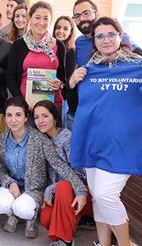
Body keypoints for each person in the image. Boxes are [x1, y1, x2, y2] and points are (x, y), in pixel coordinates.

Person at [69, 17, 142, 246]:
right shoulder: (89, 69)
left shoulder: (137, 66)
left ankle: (125, 244)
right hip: (93, 142)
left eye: (111, 34)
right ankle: (103, 243)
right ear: (94, 42)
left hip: (123, 146)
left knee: (105, 195)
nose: (106, 40)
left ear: (121, 36)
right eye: (100, 36)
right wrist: (71, 83)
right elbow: (74, 106)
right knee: (98, 199)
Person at [0, 97, 87, 239]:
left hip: (35, 188)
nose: (13, 120)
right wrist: (9, 183)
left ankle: (30, 218)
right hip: (14, 184)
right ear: (4, 118)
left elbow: (59, 165)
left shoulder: (40, 139)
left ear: (25, 118)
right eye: (9, 115)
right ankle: (14, 215)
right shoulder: (1, 139)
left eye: (18, 115)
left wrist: (80, 189)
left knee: (26, 210)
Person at [33, 100, 91, 246]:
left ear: (55, 117)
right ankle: (74, 221)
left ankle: (66, 241)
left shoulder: (67, 138)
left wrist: (51, 189)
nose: (40, 121)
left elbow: (80, 175)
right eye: (36, 117)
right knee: (46, 219)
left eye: (45, 116)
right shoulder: (41, 139)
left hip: (79, 193)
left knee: (63, 186)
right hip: (57, 196)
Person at [6, 1, 71, 109]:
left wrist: (60, 84)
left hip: (52, 106)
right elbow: (10, 77)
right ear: (30, 19)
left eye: (46, 18)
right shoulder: (18, 45)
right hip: (26, 105)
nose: (41, 22)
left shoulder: (58, 45)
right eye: (37, 17)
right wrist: (21, 102)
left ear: (50, 21)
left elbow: (63, 77)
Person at [72, 0, 141, 68]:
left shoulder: (117, 36)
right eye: (77, 16)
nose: (82, 19)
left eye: (86, 13)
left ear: (97, 13)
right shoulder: (78, 42)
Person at [52, 16, 77, 130]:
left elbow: (69, 79)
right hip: (48, 94)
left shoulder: (71, 51)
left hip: (63, 98)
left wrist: (61, 84)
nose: (61, 31)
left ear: (71, 32)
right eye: (58, 28)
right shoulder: (50, 47)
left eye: (65, 28)